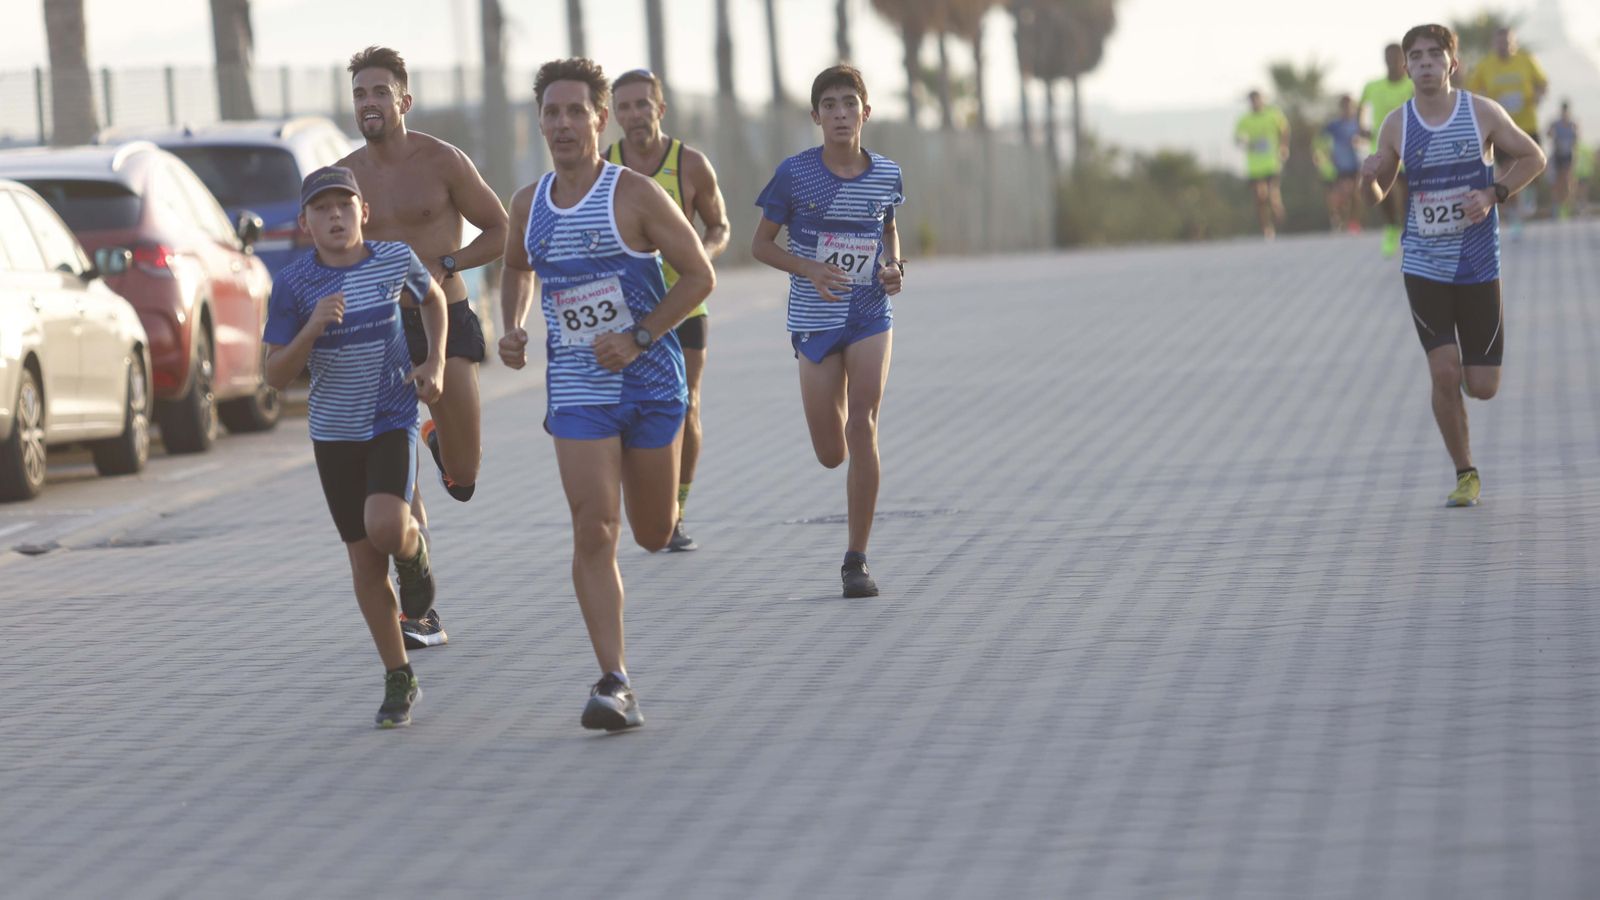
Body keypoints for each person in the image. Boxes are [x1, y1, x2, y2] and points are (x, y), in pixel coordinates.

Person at [498, 58, 714, 731]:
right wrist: (512, 325)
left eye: (575, 111)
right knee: (594, 527)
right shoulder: (528, 203)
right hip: (578, 388)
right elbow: (516, 266)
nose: (563, 124)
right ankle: (614, 680)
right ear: (540, 122)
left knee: (651, 533)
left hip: (650, 384)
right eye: (551, 113)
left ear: (599, 119)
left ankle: (662, 518)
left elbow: (699, 276)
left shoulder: (636, 195)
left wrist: (641, 337)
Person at [338, 46, 510, 649]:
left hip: (446, 321)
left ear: (404, 100)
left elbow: (500, 229)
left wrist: (447, 264)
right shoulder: (345, 177)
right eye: (360, 94)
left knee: (464, 477)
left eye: (380, 92)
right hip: (377, 335)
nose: (369, 103)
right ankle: (421, 610)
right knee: (394, 480)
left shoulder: (443, 161)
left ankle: (438, 442)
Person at [263, 166, 447, 728]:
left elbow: (434, 299)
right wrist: (312, 329)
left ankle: (414, 556)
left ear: (363, 212)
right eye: (322, 209)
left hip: (392, 418)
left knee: (387, 526)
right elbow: (274, 375)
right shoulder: (294, 285)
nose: (335, 217)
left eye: (344, 205)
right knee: (365, 562)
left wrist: (435, 361)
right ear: (305, 223)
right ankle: (399, 675)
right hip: (334, 435)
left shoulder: (393, 259)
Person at [1359, 24, 1546, 508]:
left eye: (1434, 55)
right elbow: (1378, 194)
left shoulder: (1481, 112)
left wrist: (1494, 193)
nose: (1425, 63)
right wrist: (1368, 180)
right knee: (1444, 372)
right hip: (1424, 265)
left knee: (1481, 386)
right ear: (1406, 67)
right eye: (1416, 56)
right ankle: (1466, 473)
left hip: (1478, 264)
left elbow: (1534, 158)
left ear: (1452, 64)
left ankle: (1464, 378)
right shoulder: (1396, 124)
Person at [751, 65, 905, 599]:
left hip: (868, 312)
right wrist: (809, 268)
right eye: (830, 105)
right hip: (815, 318)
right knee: (831, 452)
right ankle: (840, 456)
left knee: (863, 425)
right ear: (816, 117)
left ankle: (856, 558)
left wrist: (893, 267)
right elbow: (760, 245)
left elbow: (888, 228)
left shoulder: (887, 173)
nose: (841, 114)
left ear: (866, 112)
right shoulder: (795, 174)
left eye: (849, 103)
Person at [604, 68, 731, 552]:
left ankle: (675, 510)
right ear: (613, 115)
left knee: (687, 403)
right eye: (625, 106)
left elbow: (720, 226)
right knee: (622, 409)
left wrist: (701, 255)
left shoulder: (690, 164)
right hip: (624, 311)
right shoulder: (606, 166)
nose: (635, 114)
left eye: (643, 104)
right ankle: (633, 505)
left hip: (683, 306)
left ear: (660, 108)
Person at [1465, 28, 1547, 230]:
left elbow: (1543, 83)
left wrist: (1537, 96)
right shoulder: (1485, 65)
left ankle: (1526, 200)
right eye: (1500, 43)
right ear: (1494, 44)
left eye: (1508, 42)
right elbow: (1471, 91)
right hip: (1501, 129)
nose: (1504, 46)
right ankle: (1514, 215)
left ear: (1514, 43)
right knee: (1508, 170)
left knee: (1534, 165)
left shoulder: (1526, 60)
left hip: (1527, 124)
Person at [1360, 43, 1415, 257]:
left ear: (1403, 59)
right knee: (1384, 191)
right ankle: (1391, 228)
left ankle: (1409, 230)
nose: (1392, 60)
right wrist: (1361, 127)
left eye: (1396, 56)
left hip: (1410, 146)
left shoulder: (1412, 84)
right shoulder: (1372, 86)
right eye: (1388, 56)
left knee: (1408, 192)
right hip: (1383, 146)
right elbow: (1361, 107)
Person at [1235, 90, 1289, 239]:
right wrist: (1244, 142)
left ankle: (1278, 213)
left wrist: (1284, 147)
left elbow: (1284, 130)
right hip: (1254, 166)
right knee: (1260, 197)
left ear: (1262, 100)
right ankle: (1266, 227)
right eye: (1252, 101)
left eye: (1257, 100)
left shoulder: (1273, 115)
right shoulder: (1245, 120)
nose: (1255, 103)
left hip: (1272, 163)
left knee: (1272, 194)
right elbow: (1238, 138)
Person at [1321, 94, 1364, 233]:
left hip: (1357, 163)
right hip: (1341, 165)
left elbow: (1369, 137)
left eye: (1350, 106)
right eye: (1344, 106)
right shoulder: (1334, 125)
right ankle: (1338, 219)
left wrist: (1360, 142)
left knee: (1356, 194)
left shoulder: (1358, 124)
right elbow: (1321, 140)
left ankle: (1353, 222)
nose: (1347, 109)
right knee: (1343, 194)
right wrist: (1325, 156)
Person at [1546, 101, 1579, 219]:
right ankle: (1556, 208)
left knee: (1567, 180)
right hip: (1558, 155)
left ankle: (1568, 208)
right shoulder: (1556, 123)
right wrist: (1551, 132)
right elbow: (1548, 134)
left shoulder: (1572, 124)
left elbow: (1576, 140)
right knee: (1557, 182)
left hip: (1568, 155)